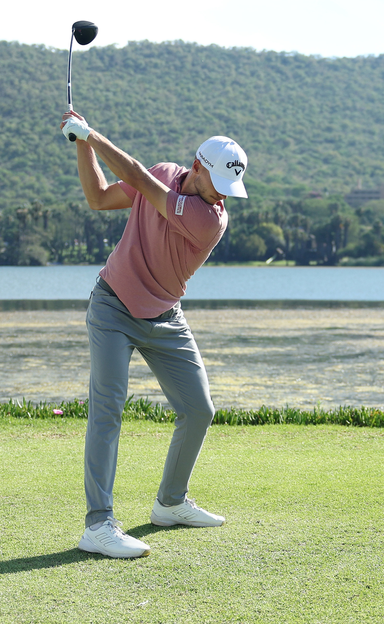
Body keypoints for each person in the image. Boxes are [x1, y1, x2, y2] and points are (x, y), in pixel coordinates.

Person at [61, 109, 247, 559]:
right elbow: (99, 197)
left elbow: (143, 181)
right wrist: (82, 145)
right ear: (198, 167)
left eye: (230, 189)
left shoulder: (211, 219)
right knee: (107, 410)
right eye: (218, 183)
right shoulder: (168, 174)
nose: (223, 196)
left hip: (165, 316)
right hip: (113, 306)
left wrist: (93, 134)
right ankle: (98, 525)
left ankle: (170, 503)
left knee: (199, 409)